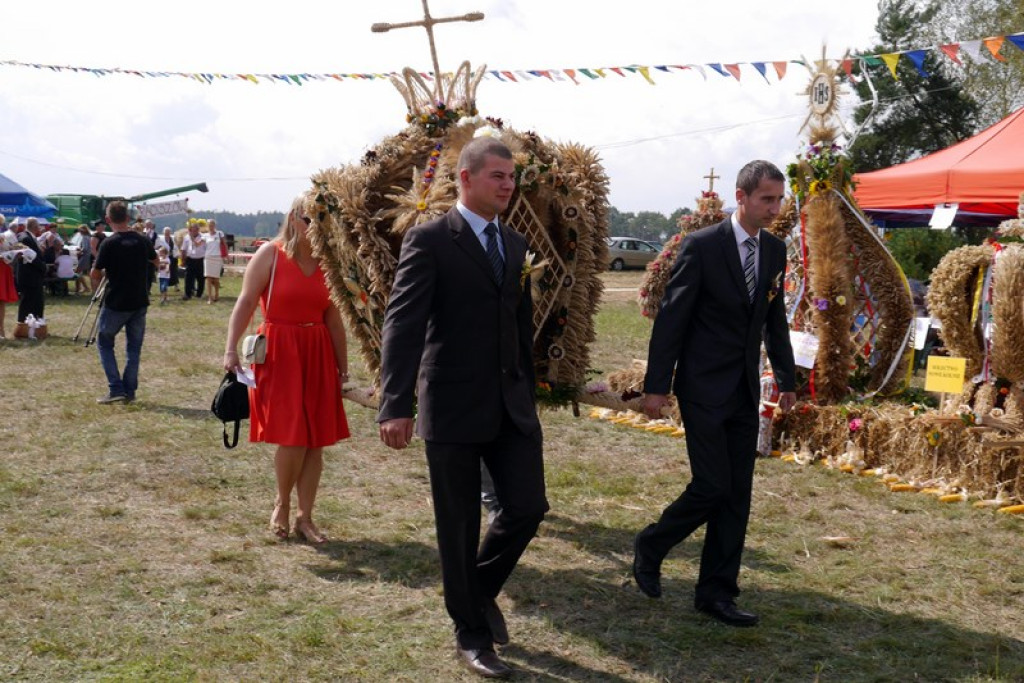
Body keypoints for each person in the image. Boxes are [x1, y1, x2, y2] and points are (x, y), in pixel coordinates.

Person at [377, 136, 548, 680]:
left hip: (510, 404)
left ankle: (472, 594)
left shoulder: (516, 244)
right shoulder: (430, 240)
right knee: (458, 523)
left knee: (527, 507)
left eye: (511, 176)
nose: (507, 185)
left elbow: (518, 323)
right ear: (465, 179)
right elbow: (402, 324)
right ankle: (471, 632)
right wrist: (395, 404)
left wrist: (529, 385)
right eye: (497, 175)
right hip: (450, 403)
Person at [632, 160, 797, 628]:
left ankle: (717, 594)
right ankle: (653, 544)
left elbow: (774, 319)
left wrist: (785, 378)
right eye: (767, 199)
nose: (774, 208)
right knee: (711, 485)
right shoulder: (702, 246)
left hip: (744, 389)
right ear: (741, 197)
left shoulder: (775, 251)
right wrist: (657, 387)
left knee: (736, 495)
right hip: (702, 387)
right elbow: (672, 320)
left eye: (779, 199)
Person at [223, 197, 350, 545]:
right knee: (293, 436)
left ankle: (305, 518)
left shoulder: (329, 262)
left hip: (318, 351)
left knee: (316, 441)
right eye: (311, 219)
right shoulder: (271, 254)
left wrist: (343, 369)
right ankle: (281, 503)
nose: (317, 226)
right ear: (294, 219)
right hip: (280, 350)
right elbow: (246, 301)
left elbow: (334, 320)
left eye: (324, 219)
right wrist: (230, 348)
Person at [90, 201, 158, 404]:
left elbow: (95, 272)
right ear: (128, 218)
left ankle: (115, 388)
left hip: (116, 302)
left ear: (109, 220)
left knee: (104, 343)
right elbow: (156, 261)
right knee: (133, 348)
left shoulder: (109, 244)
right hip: (139, 300)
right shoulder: (142, 240)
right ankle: (129, 391)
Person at [15, 218, 46, 329]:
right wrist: (43, 267)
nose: (40, 228)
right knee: (28, 302)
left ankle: (36, 326)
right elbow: (31, 258)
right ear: (35, 227)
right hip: (29, 276)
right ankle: (23, 326)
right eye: (38, 226)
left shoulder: (25, 236)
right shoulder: (26, 238)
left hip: (32, 276)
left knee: (36, 302)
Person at [0, 215, 18, 338]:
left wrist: (12, 250)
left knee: (1, 302)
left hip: (3, 268)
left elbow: (7, 250)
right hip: (2, 267)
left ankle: (1, 331)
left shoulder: (2, 237)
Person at [181, 221, 206, 300]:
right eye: (192, 229)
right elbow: (183, 249)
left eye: (195, 229)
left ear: (198, 230)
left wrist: (191, 237)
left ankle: (199, 294)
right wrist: (183, 259)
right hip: (190, 259)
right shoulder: (186, 237)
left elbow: (196, 244)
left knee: (200, 278)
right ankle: (187, 294)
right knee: (188, 277)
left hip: (200, 259)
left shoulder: (203, 237)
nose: (194, 231)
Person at [202, 219, 224, 304]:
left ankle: (217, 294)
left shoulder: (219, 233)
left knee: (216, 279)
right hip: (208, 257)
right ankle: (210, 298)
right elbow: (197, 244)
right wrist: (191, 236)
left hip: (217, 257)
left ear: (215, 226)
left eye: (212, 225)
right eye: (209, 225)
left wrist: (226, 255)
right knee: (208, 278)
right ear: (207, 226)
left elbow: (224, 243)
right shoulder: (205, 235)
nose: (211, 226)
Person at [156, 226, 179, 291]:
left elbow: (176, 248)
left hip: (172, 258)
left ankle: (176, 286)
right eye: (166, 232)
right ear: (163, 233)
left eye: (168, 232)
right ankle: (164, 286)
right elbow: (157, 247)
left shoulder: (173, 239)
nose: (167, 234)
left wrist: (176, 254)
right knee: (164, 272)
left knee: (174, 272)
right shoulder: (160, 240)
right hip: (164, 258)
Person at [73, 225, 93, 295]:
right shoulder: (89, 237)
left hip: (85, 256)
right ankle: (85, 288)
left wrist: (79, 251)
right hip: (88, 256)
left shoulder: (84, 237)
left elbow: (85, 248)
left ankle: (84, 288)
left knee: (76, 272)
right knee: (83, 273)